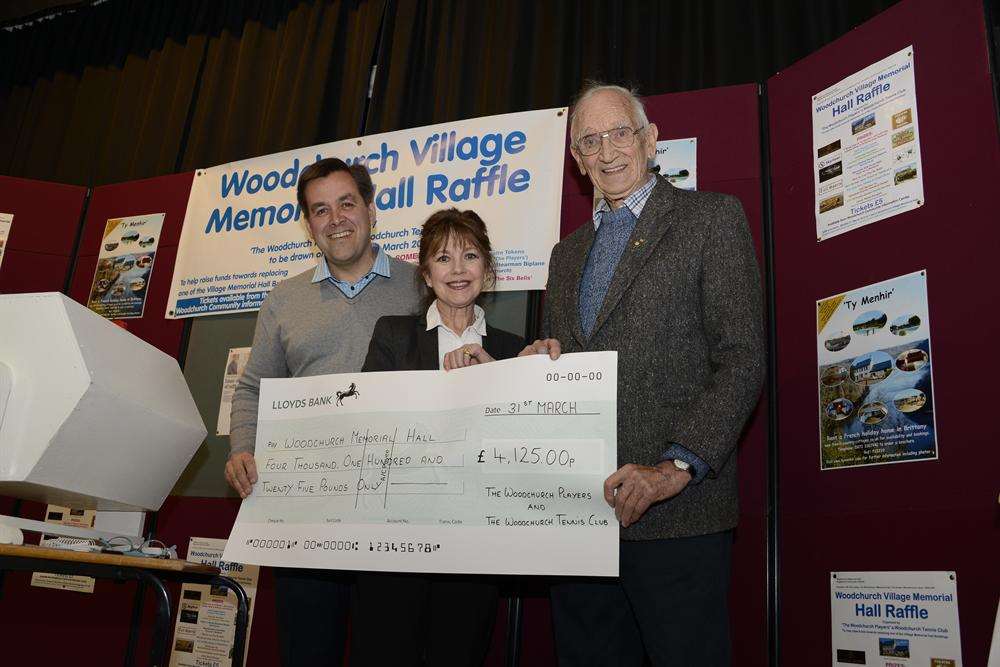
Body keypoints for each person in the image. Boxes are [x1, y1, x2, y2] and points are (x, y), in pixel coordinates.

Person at [523, 83, 765, 666]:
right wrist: (540, 367)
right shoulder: (566, 255)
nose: (606, 151)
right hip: (579, 524)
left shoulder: (710, 219)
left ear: (651, 141)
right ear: (577, 162)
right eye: (589, 140)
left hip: (676, 515)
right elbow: (569, 359)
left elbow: (742, 356)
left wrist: (675, 467)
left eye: (619, 132)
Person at [225, 157, 421, 666]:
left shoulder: (422, 286)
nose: (336, 218)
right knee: (308, 651)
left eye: (346, 203)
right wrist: (243, 448)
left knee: (390, 652)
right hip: (304, 515)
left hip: (395, 512)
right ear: (308, 224)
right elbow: (251, 391)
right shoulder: (283, 300)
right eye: (320, 210)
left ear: (372, 210)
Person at [351, 207, 525, 667]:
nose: (458, 269)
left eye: (470, 255)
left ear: (487, 269)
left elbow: (524, 448)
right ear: (426, 273)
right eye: (443, 258)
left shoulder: (512, 349)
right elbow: (369, 424)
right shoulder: (392, 334)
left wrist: (502, 384)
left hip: (474, 543)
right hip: (396, 540)